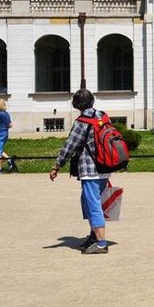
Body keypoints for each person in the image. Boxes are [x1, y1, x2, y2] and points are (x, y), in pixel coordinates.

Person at [48, 89, 112, 255]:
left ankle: (101, 243)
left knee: (93, 204)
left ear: (76, 104)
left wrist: (57, 165)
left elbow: (70, 145)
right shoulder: (102, 116)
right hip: (105, 167)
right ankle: (93, 235)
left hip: (90, 169)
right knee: (87, 201)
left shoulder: (82, 121)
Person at [0, 98, 17, 174]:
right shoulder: (7, 114)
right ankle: (9, 160)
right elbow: (10, 125)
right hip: (5, 133)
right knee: (0, 149)